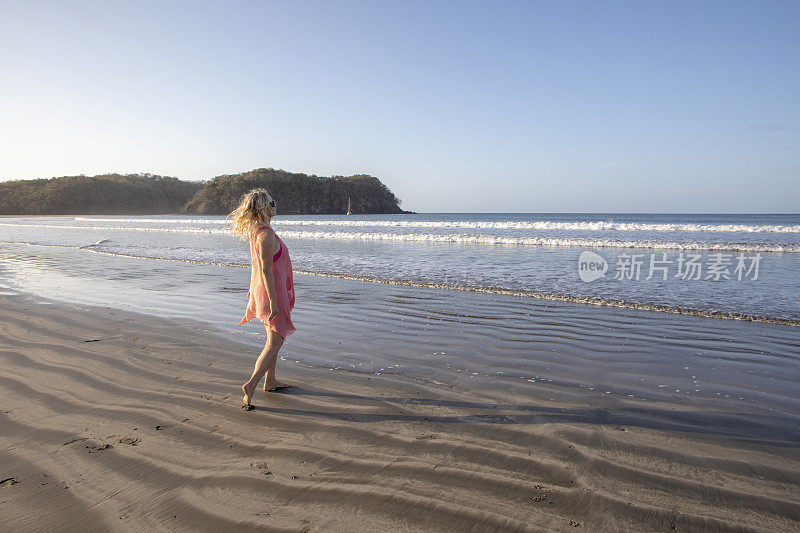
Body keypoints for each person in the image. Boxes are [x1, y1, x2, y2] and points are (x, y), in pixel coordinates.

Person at [228, 188, 296, 410]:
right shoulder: (265, 235)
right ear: (265, 207)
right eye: (272, 202)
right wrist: (274, 301)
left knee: (272, 338)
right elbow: (265, 270)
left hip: (266, 291)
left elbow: (257, 268)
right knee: (276, 341)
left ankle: (271, 380)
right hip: (271, 293)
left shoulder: (258, 231)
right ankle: (252, 384)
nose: (276, 206)